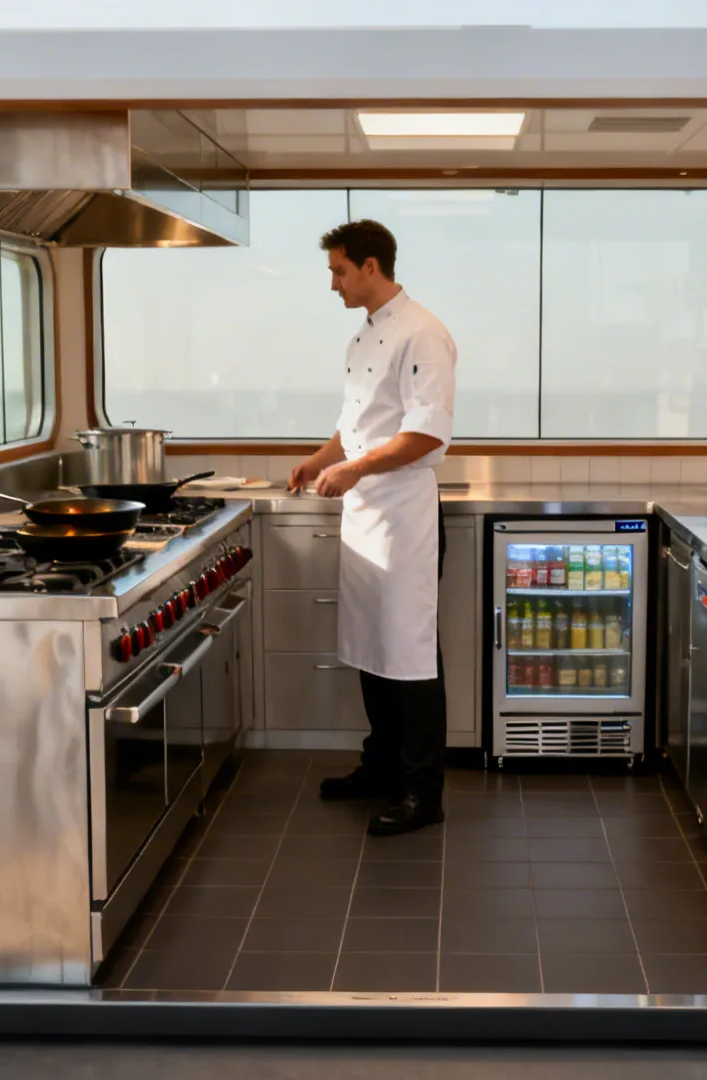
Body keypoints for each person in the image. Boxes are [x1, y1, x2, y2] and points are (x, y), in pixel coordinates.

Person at [287, 219, 457, 837]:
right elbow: (357, 421)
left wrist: (353, 469)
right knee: (372, 651)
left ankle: (422, 793)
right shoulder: (363, 335)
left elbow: (426, 433)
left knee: (409, 656)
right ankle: (381, 768)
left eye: (338, 271)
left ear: (370, 267)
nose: (333, 284)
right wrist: (321, 459)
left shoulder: (423, 333)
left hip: (404, 514)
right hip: (365, 511)